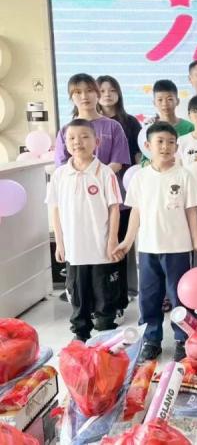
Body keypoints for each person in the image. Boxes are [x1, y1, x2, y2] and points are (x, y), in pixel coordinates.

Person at [113, 121, 197, 362]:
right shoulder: (141, 177)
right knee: (149, 297)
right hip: (148, 248)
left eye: (170, 142)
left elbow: (192, 211)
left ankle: (183, 339)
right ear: (148, 145)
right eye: (160, 142)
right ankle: (151, 340)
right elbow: (136, 212)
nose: (165, 147)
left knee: (180, 297)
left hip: (178, 247)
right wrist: (127, 241)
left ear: (177, 146)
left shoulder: (184, 175)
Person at [47, 119, 122, 342]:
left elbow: (114, 209)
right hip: (74, 249)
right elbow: (55, 210)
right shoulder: (59, 175)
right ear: (65, 143)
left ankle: (106, 334)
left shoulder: (105, 173)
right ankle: (80, 334)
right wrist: (60, 243)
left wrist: (112, 240)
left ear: (96, 142)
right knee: (77, 294)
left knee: (104, 294)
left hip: (100, 248)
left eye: (84, 137)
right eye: (71, 138)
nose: (77, 142)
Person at [97, 75, 141, 323]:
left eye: (112, 90)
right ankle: (98, 299)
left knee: (120, 245)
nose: (107, 94)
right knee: (97, 246)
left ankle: (120, 297)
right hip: (91, 198)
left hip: (122, 194)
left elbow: (137, 157)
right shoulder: (82, 122)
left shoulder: (129, 122)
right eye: (102, 90)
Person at [55, 73, 131, 174]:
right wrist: (82, 179)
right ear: (71, 97)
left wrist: (95, 177)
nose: (84, 96)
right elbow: (62, 165)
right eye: (78, 92)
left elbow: (117, 162)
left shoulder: (114, 126)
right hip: (75, 182)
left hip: (106, 181)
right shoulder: (65, 130)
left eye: (89, 91)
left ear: (98, 94)